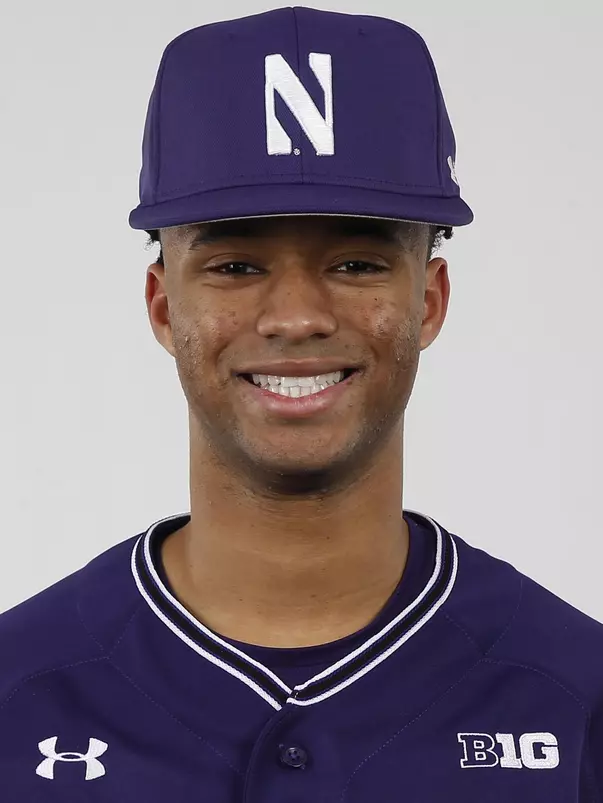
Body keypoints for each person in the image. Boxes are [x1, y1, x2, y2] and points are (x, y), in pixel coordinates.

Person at [1, 6, 601, 800]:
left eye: (355, 263)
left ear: (428, 301)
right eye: (235, 266)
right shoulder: (18, 691)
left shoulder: (574, 692)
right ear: (163, 306)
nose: (295, 317)